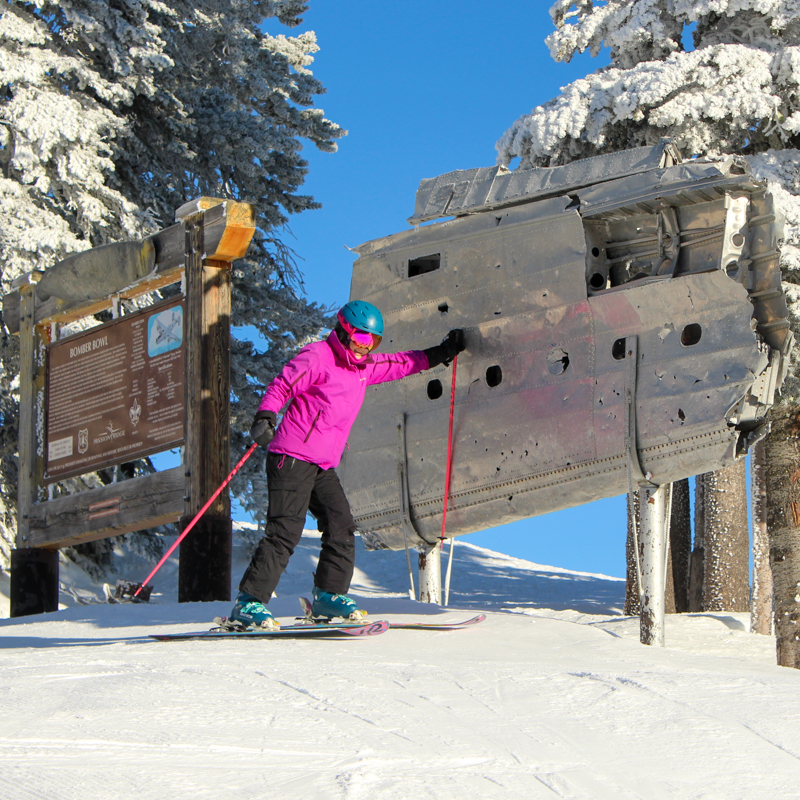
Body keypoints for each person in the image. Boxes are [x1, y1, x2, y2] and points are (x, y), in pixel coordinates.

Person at [228, 300, 465, 628]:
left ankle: (328, 597)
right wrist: (266, 415)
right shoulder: (318, 357)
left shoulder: (363, 367)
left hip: (322, 465)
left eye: (372, 342)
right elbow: (282, 385)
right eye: (359, 339)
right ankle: (249, 603)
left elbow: (402, 363)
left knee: (341, 525)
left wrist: (441, 353)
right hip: (292, 457)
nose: (363, 347)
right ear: (342, 332)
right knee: (285, 531)